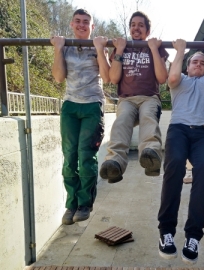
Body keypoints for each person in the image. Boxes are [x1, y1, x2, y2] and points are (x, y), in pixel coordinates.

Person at [157, 39, 204, 265]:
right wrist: (181, 51)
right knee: (174, 166)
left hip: (203, 133)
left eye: (202, 63)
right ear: (186, 65)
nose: (198, 65)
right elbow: (171, 77)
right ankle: (166, 231)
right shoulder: (180, 80)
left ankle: (193, 236)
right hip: (179, 131)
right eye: (194, 61)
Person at [51, 8, 110, 225]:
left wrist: (101, 50)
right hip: (70, 106)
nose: (82, 25)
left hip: (92, 104)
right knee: (69, 158)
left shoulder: (96, 46)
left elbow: (107, 77)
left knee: (86, 156)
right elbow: (58, 77)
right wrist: (58, 49)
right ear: (71, 24)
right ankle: (71, 204)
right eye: (78, 21)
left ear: (92, 27)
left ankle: (85, 203)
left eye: (86, 22)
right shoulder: (65, 47)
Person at [99, 11, 169, 183]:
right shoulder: (122, 47)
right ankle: (115, 162)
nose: (136, 28)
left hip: (149, 97)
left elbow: (162, 78)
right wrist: (120, 49)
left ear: (147, 30)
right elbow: (113, 78)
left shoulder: (156, 46)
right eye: (133, 25)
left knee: (148, 117)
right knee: (121, 120)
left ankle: (151, 156)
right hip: (127, 99)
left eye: (140, 25)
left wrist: (152, 48)